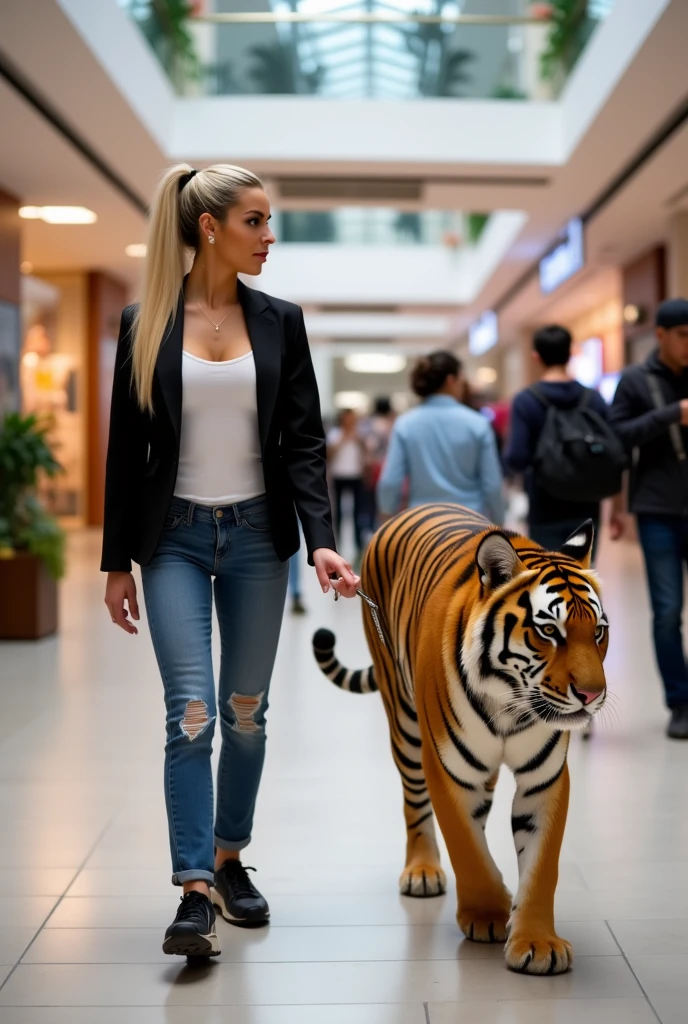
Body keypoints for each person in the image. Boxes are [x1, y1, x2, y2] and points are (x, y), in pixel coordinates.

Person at [101, 163, 359, 958]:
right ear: (209, 227)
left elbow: (305, 440)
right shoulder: (145, 321)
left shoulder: (281, 321)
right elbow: (126, 449)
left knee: (246, 713)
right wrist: (117, 562)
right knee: (192, 714)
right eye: (255, 221)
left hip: (257, 540)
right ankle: (193, 891)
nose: (269, 237)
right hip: (172, 537)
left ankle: (229, 855)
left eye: (269, 221)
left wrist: (319, 537)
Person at [610, 298, 688, 740]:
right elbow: (617, 434)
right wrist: (671, 414)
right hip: (657, 509)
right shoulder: (636, 380)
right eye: (683, 336)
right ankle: (680, 703)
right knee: (667, 611)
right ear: (660, 335)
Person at [504, 324, 611, 553]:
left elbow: (516, 457)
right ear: (570, 353)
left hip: (544, 506)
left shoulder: (526, 400)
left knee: (549, 581)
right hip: (588, 505)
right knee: (581, 580)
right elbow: (613, 450)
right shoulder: (593, 398)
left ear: (536, 357)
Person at [377, 351, 504, 522]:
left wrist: (387, 514)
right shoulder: (477, 423)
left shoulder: (406, 424)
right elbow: (492, 484)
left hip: (423, 524)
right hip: (470, 523)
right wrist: (499, 521)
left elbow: (390, 481)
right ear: (450, 380)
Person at [327, 409, 365, 557]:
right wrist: (343, 439)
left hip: (356, 475)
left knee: (357, 511)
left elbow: (366, 454)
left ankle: (358, 544)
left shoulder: (358, 434)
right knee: (338, 512)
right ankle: (338, 543)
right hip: (339, 475)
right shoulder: (335, 434)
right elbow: (329, 454)